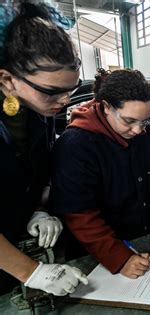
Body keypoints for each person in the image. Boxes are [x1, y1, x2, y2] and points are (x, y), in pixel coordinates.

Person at [51, 69, 150, 279]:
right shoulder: (76, 145)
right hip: (98, 253)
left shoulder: (146, 134)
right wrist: (119, 257)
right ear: (107, 107)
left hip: (141, 239)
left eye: (145, 120)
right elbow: (80, 215)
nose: (138, 130)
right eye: (129, 121)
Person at [0, 2, 87, 296]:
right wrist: (32, 271)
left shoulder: (40, 115)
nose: (64, 100)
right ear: (8, 80)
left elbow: (35, 174)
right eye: (52, 91)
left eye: (70, 89)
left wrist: (37, 208)